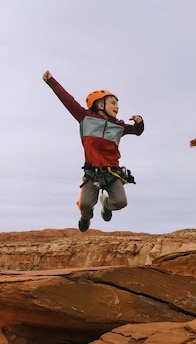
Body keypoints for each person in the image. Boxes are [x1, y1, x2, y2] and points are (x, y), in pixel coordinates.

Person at [42, 70, 144, 232]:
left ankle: (106, 205)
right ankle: (85, 217)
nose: (117, 107)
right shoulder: (85, 118)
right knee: (86, 204)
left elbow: (137, 131)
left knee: (121, 202)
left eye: (117, 104)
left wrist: (139, 122)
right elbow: (68, 100)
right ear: (99, 104)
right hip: (92, 173)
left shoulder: (119, 126)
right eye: (113, 103)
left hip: (112, 173)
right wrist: (51, 81)